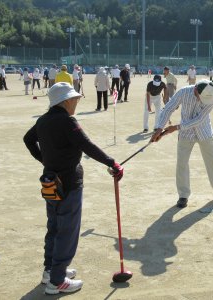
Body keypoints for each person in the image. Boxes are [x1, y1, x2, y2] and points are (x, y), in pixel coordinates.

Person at [23, 82, 123, 295]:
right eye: (75, 98)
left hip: (50, 181)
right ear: (65, 101)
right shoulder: (67, 121)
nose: (77, 101)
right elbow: (87, 145)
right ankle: (57, 281)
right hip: (69, 183)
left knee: (55, 227)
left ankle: (50, 271)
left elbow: (28, 140)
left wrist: (44, 160)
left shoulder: (43, 120)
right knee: (67, 231)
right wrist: (112, 163)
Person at [151, 79, 213, 208]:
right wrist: (160, 128)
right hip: (185, 135)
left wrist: (176, 128)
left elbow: (199, 120)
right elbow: (168, 108)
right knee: (182, 163)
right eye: (200, 98)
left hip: (204, 131)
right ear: (195, 90)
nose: (202, 101)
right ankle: (183, 195)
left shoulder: (212, 98)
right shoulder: (183, 92)